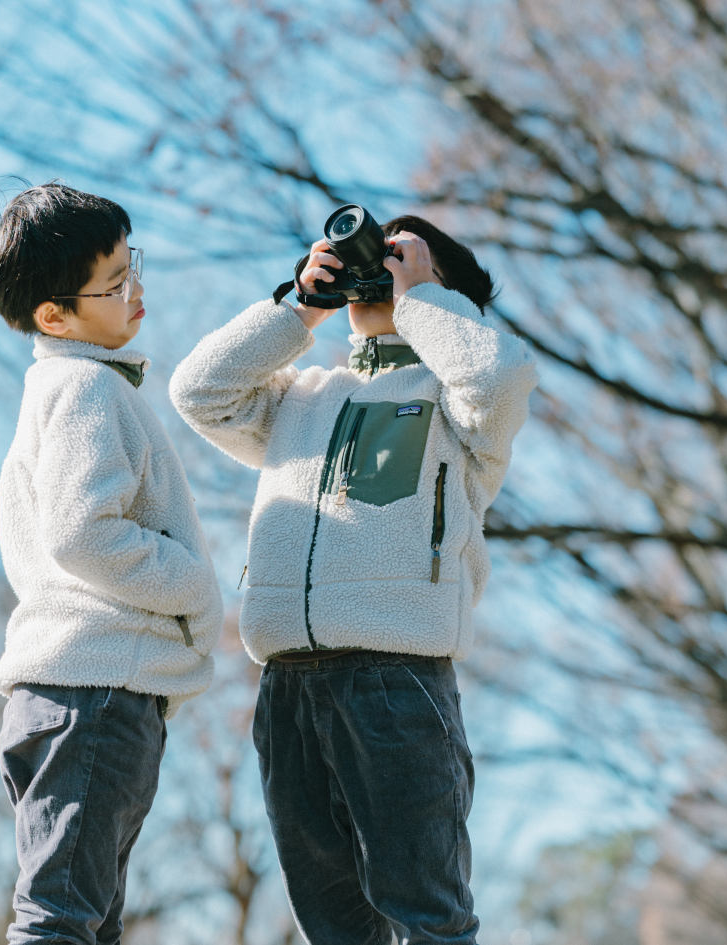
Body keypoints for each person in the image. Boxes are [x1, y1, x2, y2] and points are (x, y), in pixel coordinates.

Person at [169, 211, 538, 944]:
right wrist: (298, 307)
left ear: (447, 294)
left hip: (396, 681)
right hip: (287, 687)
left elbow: (495, 378)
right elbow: (198, 390)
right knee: (332, 926)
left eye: (404, 257)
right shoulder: (301, 395)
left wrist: (423, 299)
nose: (382, 266)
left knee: (426, 912)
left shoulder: (456, 403)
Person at [0, 182, 223, 945]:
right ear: (55, 315)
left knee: (86, 922)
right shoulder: (84, 388)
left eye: (131, 266)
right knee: (59, 922)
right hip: (95, 689)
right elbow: (84, 533)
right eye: (114, 284)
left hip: (72, 691)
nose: (135, 289)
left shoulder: (58, 389)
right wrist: (194, 583)